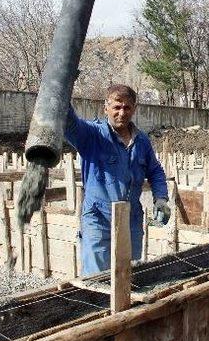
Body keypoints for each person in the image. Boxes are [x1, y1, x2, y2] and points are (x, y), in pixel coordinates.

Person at [64, 84, 170, 276]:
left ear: (134, 109)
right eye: (117, 107)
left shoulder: (142, 141)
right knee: (97, 279)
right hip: (99, 219)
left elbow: (155, 171)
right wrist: (63, 86)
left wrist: (161, 198)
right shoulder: (92, 135)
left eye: (127, 107)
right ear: (106, 108)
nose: (122, 113)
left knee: (129, 277)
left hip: (131, 219)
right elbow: (68, 122)